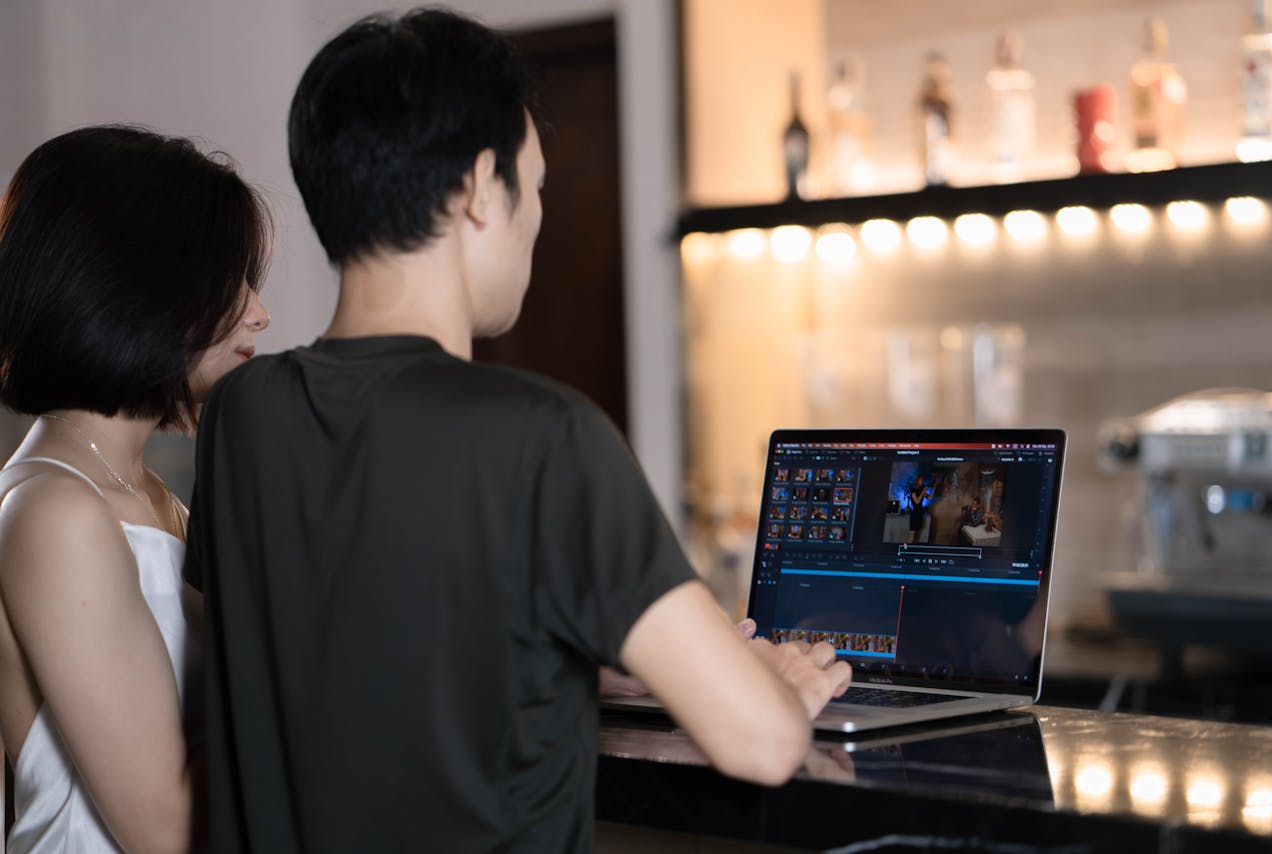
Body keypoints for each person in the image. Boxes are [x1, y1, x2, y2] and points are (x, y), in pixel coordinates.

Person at [184, 8, 850, 852]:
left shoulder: (244, 415)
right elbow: (758, 744)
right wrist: (784, 689)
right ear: (473, 188)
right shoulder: (547, 434)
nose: (536, 217)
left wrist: (592, 654)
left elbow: (367, 641)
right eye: (533, 186)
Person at [0, 125, 271, 853]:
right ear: (142, 286)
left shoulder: (149, 497)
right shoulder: (57, 510)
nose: (258, 313)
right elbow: (164, 832)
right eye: (231, 279)